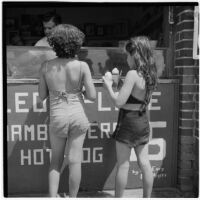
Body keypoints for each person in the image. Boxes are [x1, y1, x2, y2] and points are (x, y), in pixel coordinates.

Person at [38, 24, 96, 197]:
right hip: (78, 115)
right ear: (76, 43)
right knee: (75, 162)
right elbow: (92, 96)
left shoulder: (46, 66)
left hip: (57, 116)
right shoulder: (82, 66)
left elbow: (42, 96)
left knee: (55, 161)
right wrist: (78, 91)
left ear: (54, 43)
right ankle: (72, 198)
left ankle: (52, 197)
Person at [103, 36, 157, 198]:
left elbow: (119, 102)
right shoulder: (151, 75)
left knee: (123, 166)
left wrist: (108, 87)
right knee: (145, 164)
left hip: (127, 123)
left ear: (136, 55)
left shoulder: (133, 74)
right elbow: (146, 105)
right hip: (142, 122)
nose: (126, 58)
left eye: (127, 55)